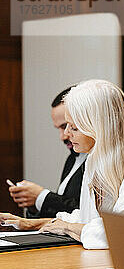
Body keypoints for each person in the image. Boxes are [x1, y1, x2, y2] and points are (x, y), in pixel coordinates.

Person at [0, 79, 124, 249]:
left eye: (74, 127)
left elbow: (119, 230)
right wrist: (30, 224)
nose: (66, 134)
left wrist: (67, 227)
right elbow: (86, 220)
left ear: (98, 127)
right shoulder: (94, 160)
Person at [8, 86, 86, 218]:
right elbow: (63, 216)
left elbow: (88, 214)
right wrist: (35, 205)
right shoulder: (72, 158)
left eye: (68, 126)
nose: (63, 136)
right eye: (60, 128)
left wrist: (42, 196)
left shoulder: (104, 160)